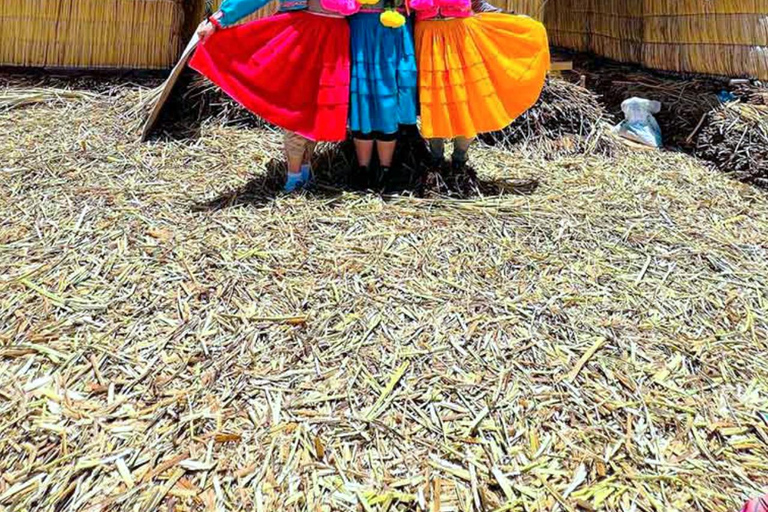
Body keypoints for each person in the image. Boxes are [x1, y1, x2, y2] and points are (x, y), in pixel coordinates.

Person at [190, 0, 358, 192]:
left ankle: (305, 168)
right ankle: (293, 176)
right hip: (304, 34)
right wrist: (218, 20)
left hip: (336, 37)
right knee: (298, 102)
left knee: (318, 103)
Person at [410, 0, 550, 170]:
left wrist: (509, 16)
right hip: (428, 40)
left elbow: (478, 4)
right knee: (434, 99)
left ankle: (460, 158)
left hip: (461, 38)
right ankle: (436, 159)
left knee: (466, 99)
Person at [348, 0, 418, 187]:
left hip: (393, 30)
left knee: (389, 96)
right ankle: (363, 170)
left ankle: (385, 170)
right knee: (363, 96)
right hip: (362, 28)